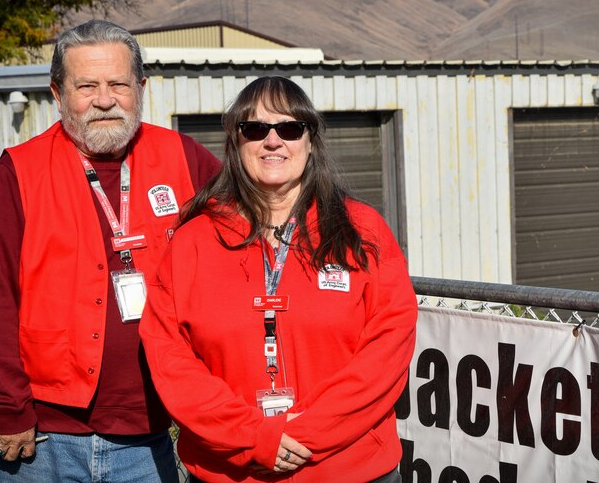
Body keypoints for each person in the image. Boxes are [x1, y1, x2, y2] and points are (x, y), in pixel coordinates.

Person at [0, 19, 221, 482]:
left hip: (149, 434)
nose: (104, 99)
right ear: (58, 95)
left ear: (140, 88)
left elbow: (255, 226)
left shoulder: (185, 157)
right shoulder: (19, 172)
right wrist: (9, 407)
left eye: (118, 83)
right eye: (87, 86)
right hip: (41, 440)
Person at [139, 76, 417, 482]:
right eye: (255, 129)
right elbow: (170, 357)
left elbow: (388, 347)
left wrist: (307, 433)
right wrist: (253, 436)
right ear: (236, 142)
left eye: (289, 128)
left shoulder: (362, 231)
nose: (273, 141)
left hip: (349, 469)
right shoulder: (193, 241)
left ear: (310, 140)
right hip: (233, 471)